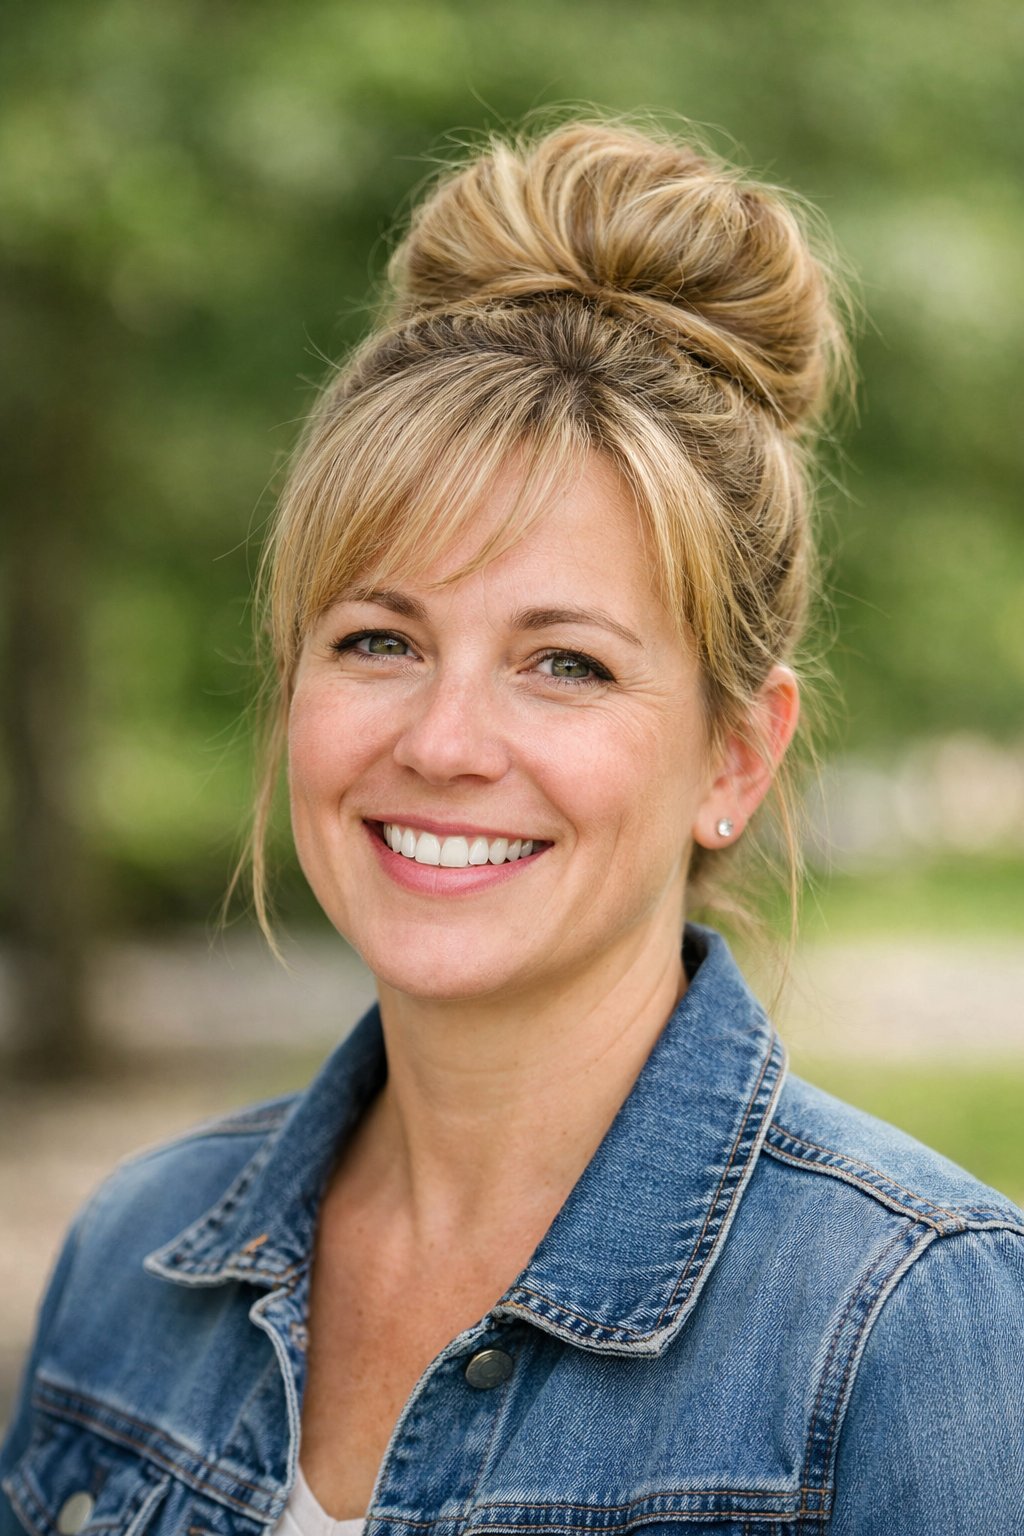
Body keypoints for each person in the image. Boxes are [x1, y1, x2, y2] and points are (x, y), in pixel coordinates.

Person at [2, 118, 1022, 1536]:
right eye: (378, 641)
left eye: (567, 664)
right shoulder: (134, 1266)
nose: (443, 743)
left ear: (736, 756)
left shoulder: (917, 1336)